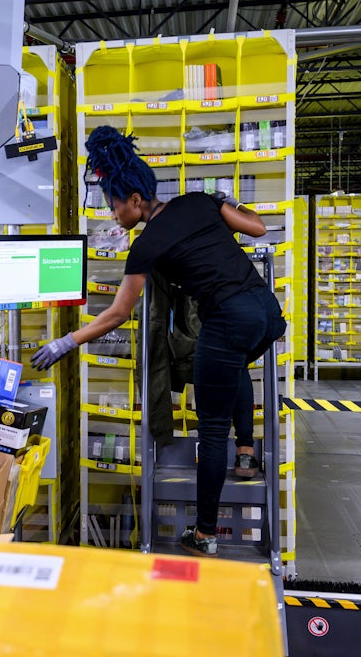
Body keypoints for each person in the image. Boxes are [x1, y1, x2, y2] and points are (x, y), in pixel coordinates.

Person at [30, 126, 287, 556]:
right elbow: (258, 229)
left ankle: (204, 535)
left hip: (226, 319)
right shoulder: (200, 201)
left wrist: (66, 343)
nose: (112, 215)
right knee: (235, 366)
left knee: (210, 428)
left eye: (114, 206)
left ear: (135, 200)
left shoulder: (146, 246)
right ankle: (245, 451)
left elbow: (117, 314)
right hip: (265, 312)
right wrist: (226, 203)